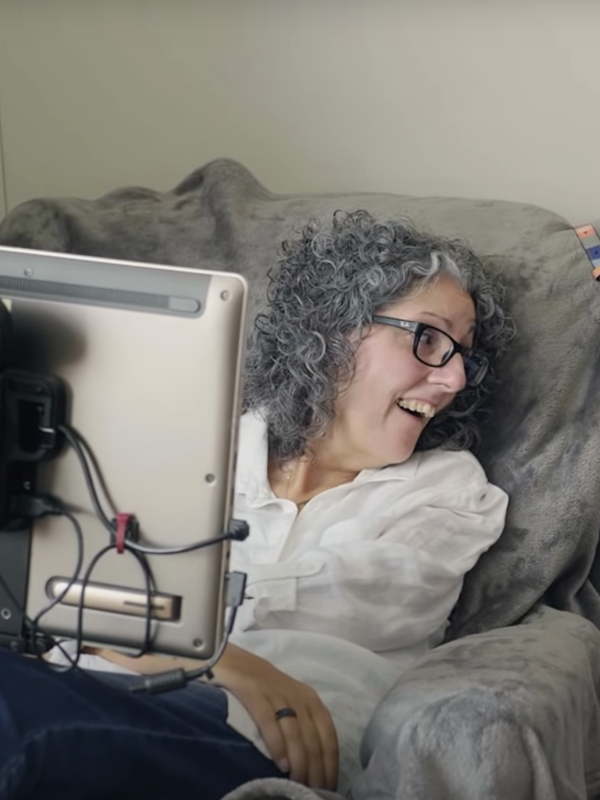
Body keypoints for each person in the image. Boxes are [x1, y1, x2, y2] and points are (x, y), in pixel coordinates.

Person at [0, 210, 513, 800]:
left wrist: (128, 624)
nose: (454, 380)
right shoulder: (198, 445)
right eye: (428, 339)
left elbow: (345, 603)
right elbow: (59, 595)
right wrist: (230, 662)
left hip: (256, 738)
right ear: (335, 328)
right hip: (86, 692)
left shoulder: (447, 492)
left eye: (464, 357)